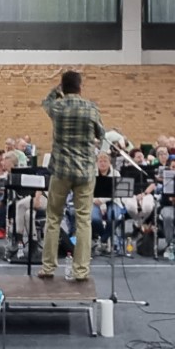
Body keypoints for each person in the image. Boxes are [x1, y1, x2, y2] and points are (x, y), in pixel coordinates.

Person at [39, 70, 105, 281]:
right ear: (80, 86)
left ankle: (48, 267)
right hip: (85, 171)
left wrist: (56, 90)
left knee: (53, 218)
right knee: (83, 220)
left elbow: (45, 101)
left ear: (63, 86)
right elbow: (101, 135)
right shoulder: (91, 108)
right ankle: (81, 270)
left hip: (61, 171)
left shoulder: (57, 107)